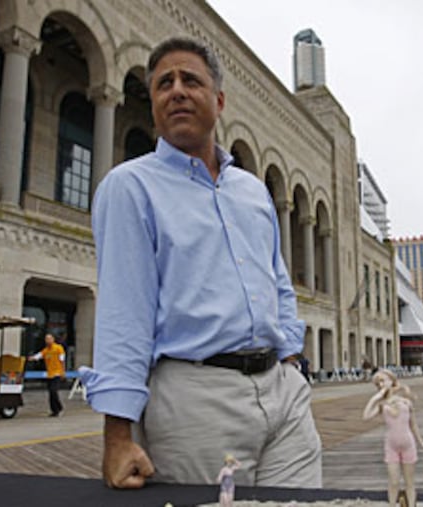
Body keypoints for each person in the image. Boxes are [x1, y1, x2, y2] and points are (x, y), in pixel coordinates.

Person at [79, 37, 321, 489]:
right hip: (194, 399)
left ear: (219, 100)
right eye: (162, 84)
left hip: (281, 390)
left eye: (190, 80)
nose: (176, 91)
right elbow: (123, 317)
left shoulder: (251, 190)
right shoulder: (129, 187)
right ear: (152, 102)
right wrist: (117, 436)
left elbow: (277, 282)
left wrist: (291, 360)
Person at [363, 369, 423, 507]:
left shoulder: (405, 401)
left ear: (392, 380)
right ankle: (392, 504)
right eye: (379, 382)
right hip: (391, 446)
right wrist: (376, 397)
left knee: (409, 482)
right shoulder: (382, 405)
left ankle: (411, 504)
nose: (382, 384)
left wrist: (421, 442)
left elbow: (413, 424)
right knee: (393, 481)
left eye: (384, 380)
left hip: (408, 444)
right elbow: (366, 416)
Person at [27, 333, 65, 417]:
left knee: (53, 391)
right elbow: (39, 355)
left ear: (53, 339)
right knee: (50, 393)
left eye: (49, 339)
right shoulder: (46, 350)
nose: (48, 341)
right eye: (46, 339)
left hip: (57, 373)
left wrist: (63, 372)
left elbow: (62, 361)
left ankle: (59, 407)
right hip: (49, 374)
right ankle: (54, 410)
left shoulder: (59, 348)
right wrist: (31, 358)